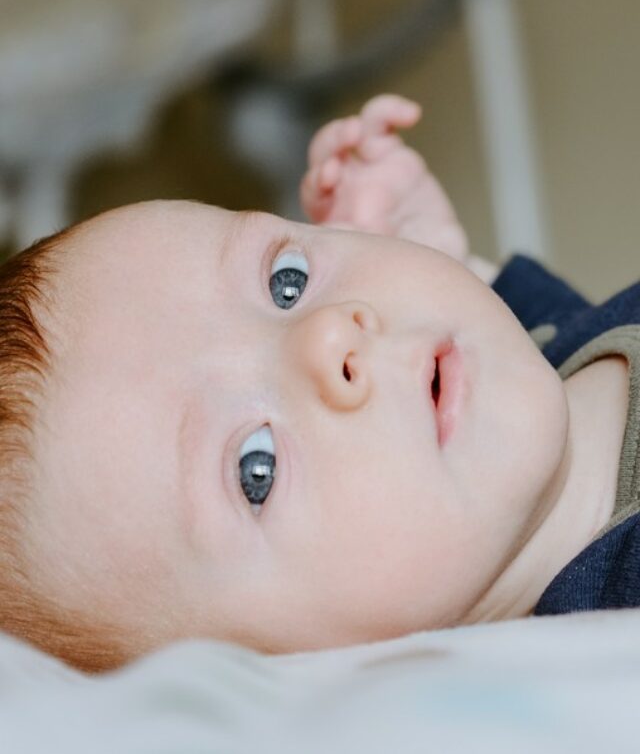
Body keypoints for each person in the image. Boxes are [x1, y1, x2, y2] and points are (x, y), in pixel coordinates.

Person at [0, 95, 636, 674]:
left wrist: (451, 261)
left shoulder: (548, 362)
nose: (329, 335)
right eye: (258, 468)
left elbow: (560, 341)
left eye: (288, 281)